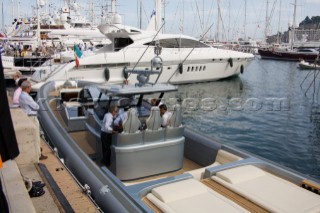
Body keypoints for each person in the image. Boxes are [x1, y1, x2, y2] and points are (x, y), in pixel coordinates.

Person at [19, 80, 47, 160]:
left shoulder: (21, 96)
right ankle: (38, 154)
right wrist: (37, 104)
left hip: (27, 116)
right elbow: (36, 107)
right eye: (30, 87)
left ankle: (38, 153)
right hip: (32, 117)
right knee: (36, 136)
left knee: (34, 136)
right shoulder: (27, 97)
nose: (30, 88)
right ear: (27, 88)